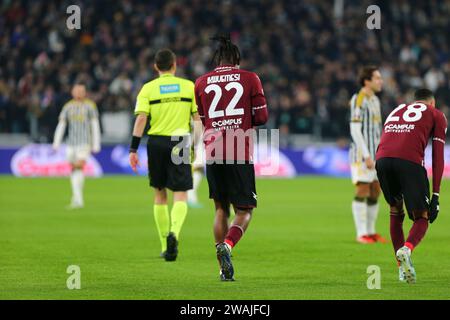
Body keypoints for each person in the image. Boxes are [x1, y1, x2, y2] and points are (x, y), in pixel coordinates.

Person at [194, 34, 268, 281]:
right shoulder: (250, 78)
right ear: (236, 60)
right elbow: (262, 117)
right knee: (245, 210)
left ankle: (221, 269)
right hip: (238, 150)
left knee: (219, 208)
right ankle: (228, 244)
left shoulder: (201, 82)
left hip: (213, 150)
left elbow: (203, 119)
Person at [129, 49, 200, 262]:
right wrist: (195, 145)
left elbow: (141, 119)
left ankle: (163, 244)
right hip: (180, 141)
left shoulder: (148, 89)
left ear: (155, 67)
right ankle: (174, 234)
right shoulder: (189, 87)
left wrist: (133, 149)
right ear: (175, 65)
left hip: (157, 142)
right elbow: (198, 120)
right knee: (180, 193)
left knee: (160, 194)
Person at [376, 88, 447, 284]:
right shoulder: (436, 114)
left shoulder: (396, 110)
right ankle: (406, 249)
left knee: (395, 211)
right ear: (431, 103)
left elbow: (386, 138)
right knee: (422, 216)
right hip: (409, 162)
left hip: (382, 160)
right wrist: (436, 195)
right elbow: (438, 156)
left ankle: (402, 270)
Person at [349, 66, 386, 244]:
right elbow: (355, 129)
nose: (381, 81)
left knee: (375, 190)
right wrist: (366, 155)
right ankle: (361, 233)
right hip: (361, 155)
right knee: (362, 189)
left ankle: (371, 232)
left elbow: (377, 130)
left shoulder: (375, 101)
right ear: (367, 81)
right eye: (377, 78)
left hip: (376, 153)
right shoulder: (359, 99)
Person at [52, 83, 101, 209]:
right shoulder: (68, 107)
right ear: (72, 92)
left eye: (81, 91)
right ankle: (76, 198)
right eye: (77, 91)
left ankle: (78, 200)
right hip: (71, 143)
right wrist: (56, 142)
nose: (79, 93)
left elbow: (95, 125)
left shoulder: (90, 106)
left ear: (85, 92)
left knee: (78, 166)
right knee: (75, 169)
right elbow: (62, 124)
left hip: (84, 143)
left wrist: (96, 144)